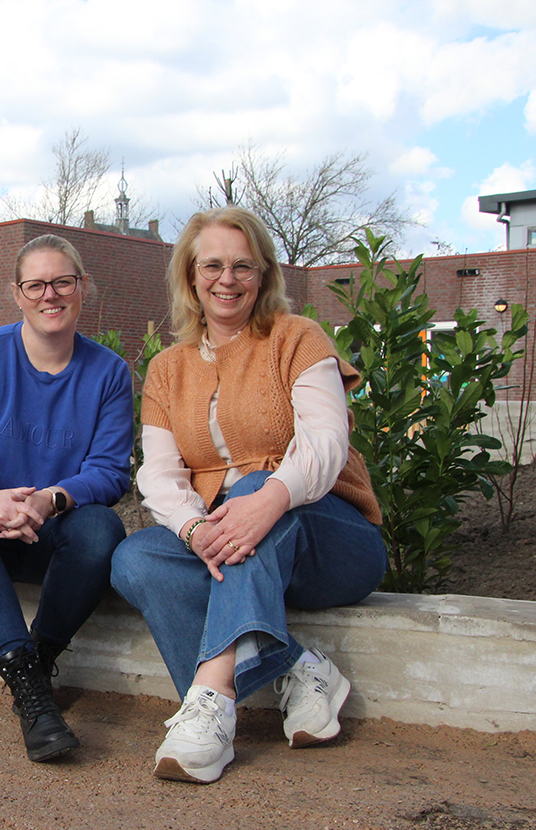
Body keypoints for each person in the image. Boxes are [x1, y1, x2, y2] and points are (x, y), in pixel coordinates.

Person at [110, 207, 387, 784]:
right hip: (236, 543)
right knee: (135, 559)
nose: (227, 279)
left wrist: (274, 496)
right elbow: (160, 474)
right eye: (211, 265)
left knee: (259, 489)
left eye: (243, 266)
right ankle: (298, 671)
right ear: (190, 277)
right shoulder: (167, 369)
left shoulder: (297, 337)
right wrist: (194, 528)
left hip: (329, 540)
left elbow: (327, 441)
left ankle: (210, 699)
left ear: (264, 275)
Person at [0, 234, 134, 763]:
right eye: (36, 284)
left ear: (81, 288)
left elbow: (110, 473)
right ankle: (31, 692)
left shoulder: (108, 372)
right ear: (17, 294)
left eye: (62, 281)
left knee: (102, 530)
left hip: (54, 534)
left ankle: (39, 660)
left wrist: (48, 501)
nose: (50, 295)